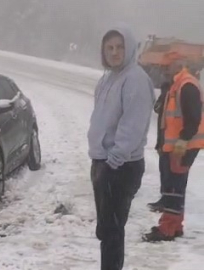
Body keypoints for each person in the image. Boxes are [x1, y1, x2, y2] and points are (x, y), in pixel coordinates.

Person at [87, 25, 155, 270]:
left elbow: (132, 127)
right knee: (106, 229)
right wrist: (98, 161)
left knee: (113, 232)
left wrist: (111, 162)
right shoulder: (107, 80)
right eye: (109, 48)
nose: (114, 52)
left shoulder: (135, 79)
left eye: (119, 47)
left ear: (129, 48)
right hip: (102, 161)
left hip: (121, 166)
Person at [143, 57, 204, 242]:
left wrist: (183, 140)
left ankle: (167, 228)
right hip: (178, 145)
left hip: (183, 146)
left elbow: (193, 117)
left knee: (173, 188)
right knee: (176, 186)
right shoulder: (176, 85)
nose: (164, 71)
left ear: (176, 66)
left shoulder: (186, 85)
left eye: (167, 67)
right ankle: (175, 226)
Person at [147, 81, 171, 213]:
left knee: (170, 172)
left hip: (173, 142)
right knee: (164, 169)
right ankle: (165, 198)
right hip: (164, 139)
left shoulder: (182, 90)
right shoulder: (167, 91)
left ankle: (169, 201)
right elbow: (157, 108)